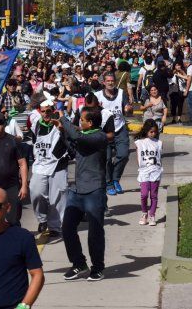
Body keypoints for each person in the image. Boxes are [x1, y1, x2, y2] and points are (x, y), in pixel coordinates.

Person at [54, 107, 108, 281]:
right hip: (77, 190)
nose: (79, 122)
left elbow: (77, 137)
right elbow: (73, 149)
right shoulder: (84, 137)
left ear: (90, 123)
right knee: (67, 227)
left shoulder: (99, 136)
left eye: (82, 120)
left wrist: (63, 119)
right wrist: (63, 131)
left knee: (95, 231)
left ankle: (97, 267)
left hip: (94, 190)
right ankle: (78, 263)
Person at [29, 100, 69, 236]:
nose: (46, 114)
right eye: (43, 111)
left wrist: (62, 129)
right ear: (40, 112)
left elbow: (70, 137)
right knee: (36, 192)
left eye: (48, 111)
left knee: (58, 196)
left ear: (53, 111)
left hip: (58, 164)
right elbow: (34, 143)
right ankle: (42, 219)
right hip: (40, 165)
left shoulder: (61, 123)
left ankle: (55, 226)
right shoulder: (36, 126)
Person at [95, 72, 133, 195]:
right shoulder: (97, 96)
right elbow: (91, 113)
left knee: (123, 155)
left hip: (120, 129)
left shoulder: (121, 93)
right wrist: (97, 109)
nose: (110, 83)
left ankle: (116, 179)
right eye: (108, 81)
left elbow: (128, 109)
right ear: (104, 82)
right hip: (104, 132)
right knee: (106, 159)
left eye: (112, 80)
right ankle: (109, 183)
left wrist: (128, 109)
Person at [135, 119, 163, 226]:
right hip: (144, 172)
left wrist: (159, 169)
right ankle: (144, 213)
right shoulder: (139, 143)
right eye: (151, 131)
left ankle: (152, 215)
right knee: (144, 194)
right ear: (146, 131)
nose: (153, 134)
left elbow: (160, 158)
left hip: (155, 172)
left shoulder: (159, 143)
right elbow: (138, 157)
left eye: (155, 132)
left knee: (154, 195)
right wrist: (140, 167)